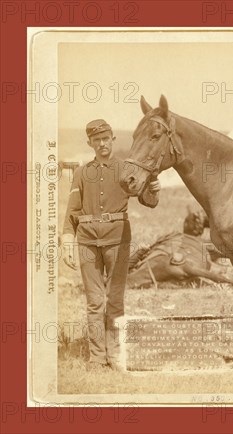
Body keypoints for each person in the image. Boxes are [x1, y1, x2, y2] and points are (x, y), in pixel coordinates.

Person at [61, 119, 161, 371]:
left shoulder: (126, 168)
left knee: (115, 300)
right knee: (95, 301)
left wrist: (154, 188)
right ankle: (96, 358)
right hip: (87, 241)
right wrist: (66, 240)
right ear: (90, 143)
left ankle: (115, 355)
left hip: (118, 240)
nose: (102, 143)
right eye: (97, 140)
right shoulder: (82, 172)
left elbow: (148, 200)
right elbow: (72, 212)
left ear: (113, 139)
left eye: (106, 138)